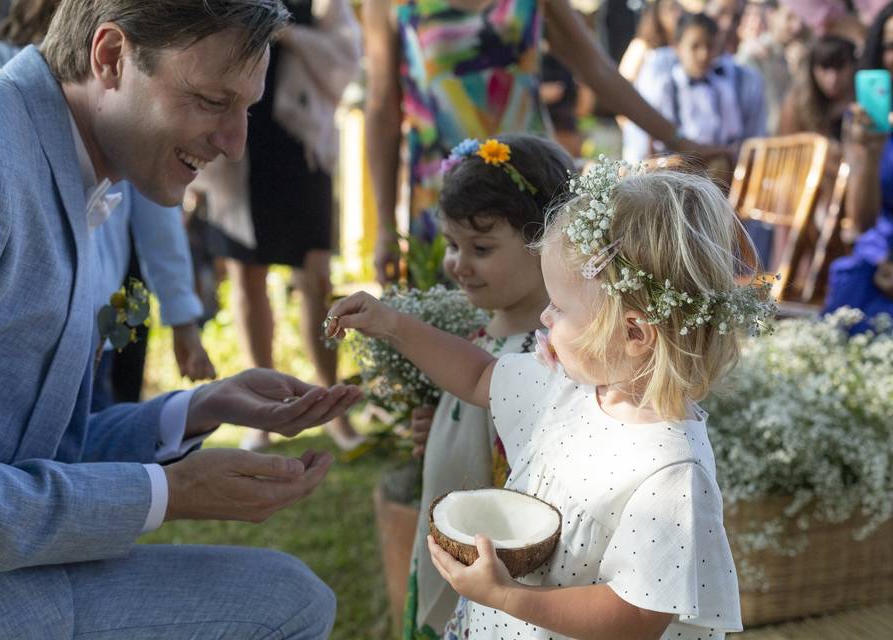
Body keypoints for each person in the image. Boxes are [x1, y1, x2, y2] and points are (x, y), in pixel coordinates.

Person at [0, 0, 364, 636]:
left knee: (292, 594)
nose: (235, 141)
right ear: (111, 58)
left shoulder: (59, 156)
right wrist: (172, 494)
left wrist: (195, 410)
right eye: (214, 101)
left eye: (245, 108)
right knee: (286, 607)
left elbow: (33, 446)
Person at [328, 162, 773, 639]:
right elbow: (480, 376)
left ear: (633, 333)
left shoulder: (670, 472)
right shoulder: (575, 387)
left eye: (559, 307)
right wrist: (393, 325)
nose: (544, 315)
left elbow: (635, 617)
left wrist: (505, 597)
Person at [364, 0, 725, 286]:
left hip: (532, 190)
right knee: (447, 341)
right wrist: (384, 226)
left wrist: (678, 140)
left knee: (546, 334)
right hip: (443, 198)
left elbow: (595, 69)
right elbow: (381, 108)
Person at [0, 0, 217, 407]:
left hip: (95, 313)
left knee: (90, 426)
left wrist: (182, 315)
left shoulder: (125, 103)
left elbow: (158, 220)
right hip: (17, 320)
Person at [403, 134, 576, 638]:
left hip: (498, 557)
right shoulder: (481, 337)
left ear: (546, 242)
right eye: (454, 245)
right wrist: (438, 426)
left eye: (481, 248)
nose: (459, 263)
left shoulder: (546, 353)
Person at [198, 0, 363, 451]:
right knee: (245, 275)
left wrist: (286, 34)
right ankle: (262, 416)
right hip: (239, 143)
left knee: (316, 276)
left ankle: (331, 406)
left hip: (300, 144)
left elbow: (346, 54)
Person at [823, 1, 893, 331]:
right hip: (881, 252)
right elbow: (862, 221)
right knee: (851, 294)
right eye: (890, 46)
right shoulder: (864, 120)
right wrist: (870, 153)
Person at [626, 12, 766, 162]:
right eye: (695, 47)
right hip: (675, 172)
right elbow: (642, 146)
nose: (703, 55)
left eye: (710, 47)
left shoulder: (725, 87)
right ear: (677, 48)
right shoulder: (663, 88)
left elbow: (734, 138)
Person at [736, 0, 808, 134]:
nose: (797, 26)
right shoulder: (755, 55)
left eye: (802, 18)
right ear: (771, 15)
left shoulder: (803, 53)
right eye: (789, 17)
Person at [779, 35, 857, 139]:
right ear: (812, 70)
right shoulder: (797, 104)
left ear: (853, 67)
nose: (832, 78)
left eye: (840, 68)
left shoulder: (864, 100)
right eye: (824, 68)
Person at [619, 0, 683, 84]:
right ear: (657, 13)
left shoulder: (682, 46)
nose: (676, 14)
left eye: (678, 8)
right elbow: (624, 80)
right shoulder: (641, 45)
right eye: (671, 8)